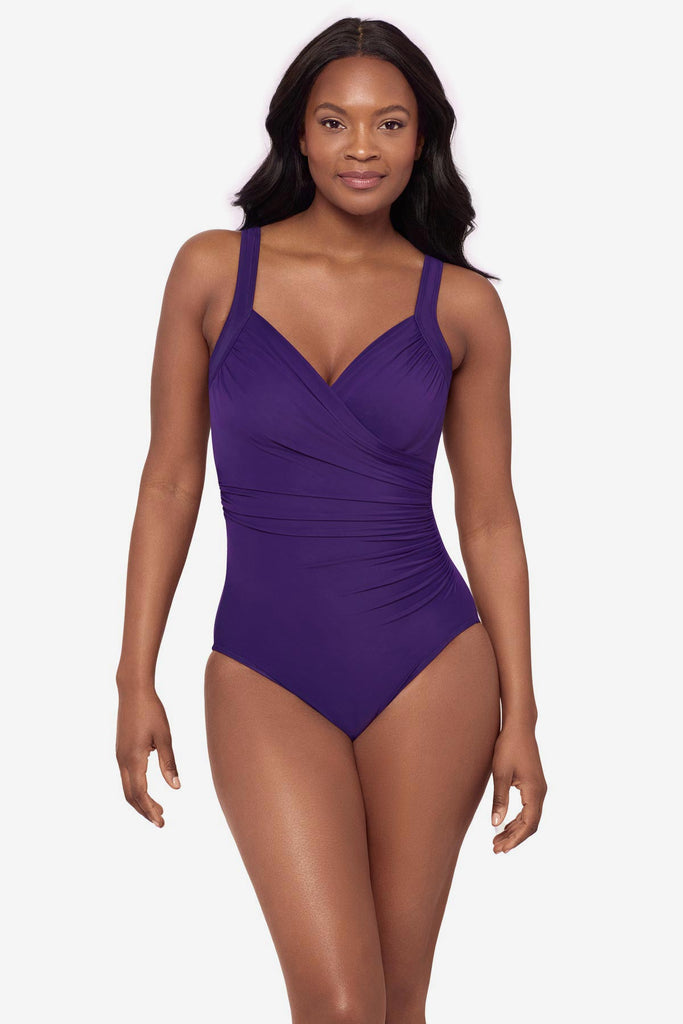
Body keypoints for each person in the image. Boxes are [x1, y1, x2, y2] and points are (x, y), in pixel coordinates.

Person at [116, 16, 547, 1023]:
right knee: (342, 1005)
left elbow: (489, 517)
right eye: (335, 121)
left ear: (421, 139)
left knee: (397, 1005)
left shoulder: (462, 307)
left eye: (389, 123)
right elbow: (169, 481)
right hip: (262, 669)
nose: (362, 147)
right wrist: (133, 675)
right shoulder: (212, 271)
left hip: (430, 663)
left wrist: (522, 711)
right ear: (297, 135)